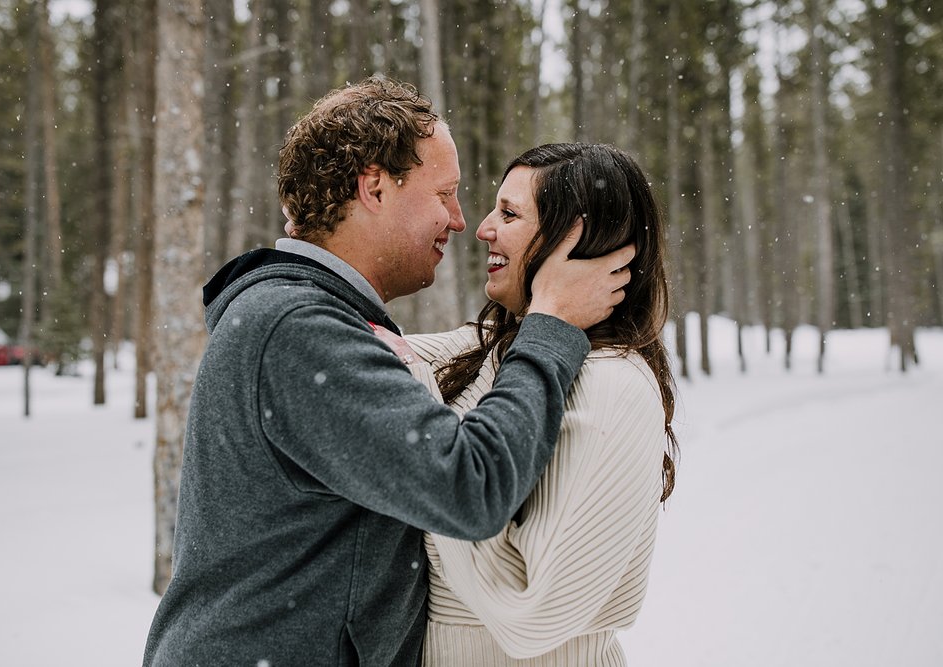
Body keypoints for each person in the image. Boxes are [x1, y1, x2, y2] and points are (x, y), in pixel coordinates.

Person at [142, 78, 635, 666]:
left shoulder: (307, 318)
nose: (459, 220)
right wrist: (552, 324)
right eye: (445, 193)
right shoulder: (298, 330)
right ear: (374, 187)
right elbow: (471, 487)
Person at [379, 143, 678, 665]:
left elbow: (531, 616)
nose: (482, 228)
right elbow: (369, 352)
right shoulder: (500, 350)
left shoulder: (615, 390)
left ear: (576, 242)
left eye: (510, 213)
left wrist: (421, 432)